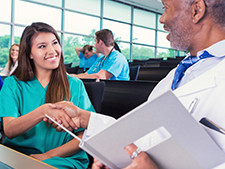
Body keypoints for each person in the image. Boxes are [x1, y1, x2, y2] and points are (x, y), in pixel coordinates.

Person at [46, 0, 225, 168]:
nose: (162, 19)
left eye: (165, 7)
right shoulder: (176, 75)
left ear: (197, 10)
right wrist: (85, 119)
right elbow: (147, 137)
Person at [0, 22, 95, 169]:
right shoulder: (12, 84)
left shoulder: (75, 85)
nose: (52, 51)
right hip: (15, 155)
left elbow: (87, 133)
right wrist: (43, 111)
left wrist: (48, 156)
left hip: (62, 158)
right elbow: (10, 130)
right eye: (42, 46)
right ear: (29, 53)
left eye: (55, 43)